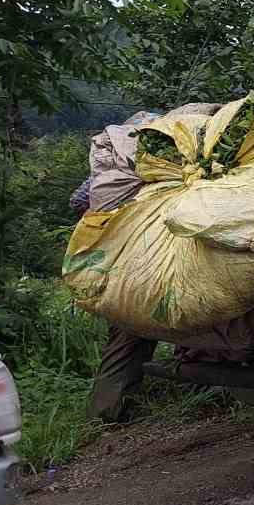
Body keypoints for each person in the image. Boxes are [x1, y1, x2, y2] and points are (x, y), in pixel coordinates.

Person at [70, 175, 157, 421]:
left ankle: (110, 409)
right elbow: (78, 199)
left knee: (128, 338)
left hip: (121, 264)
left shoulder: (117, 172)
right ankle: (105, 414)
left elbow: (77, 200)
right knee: (128, 335)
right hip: (137, 265)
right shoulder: (139, 170)